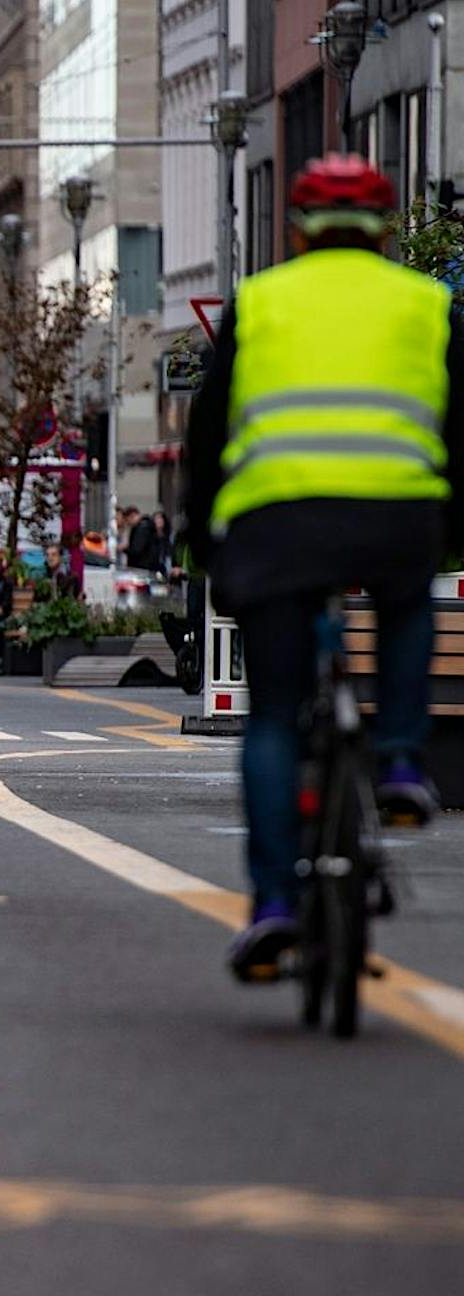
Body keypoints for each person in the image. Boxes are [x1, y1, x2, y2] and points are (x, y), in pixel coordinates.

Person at [183, 153, 464, 979]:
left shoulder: (262, 302)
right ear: (384, 226)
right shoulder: (429, 302)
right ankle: (405, 764)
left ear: (299, 228)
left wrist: (205, 541)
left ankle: (273, 903)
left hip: (276, 520)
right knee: (409, 605)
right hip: (396, 513)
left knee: (272, 714)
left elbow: (208, 434)